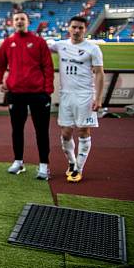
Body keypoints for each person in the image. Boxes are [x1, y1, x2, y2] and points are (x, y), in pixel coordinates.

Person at [0, 11, 54, 180]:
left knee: (41, 131)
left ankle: (43, 165)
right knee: (17, 130)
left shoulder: (39, 42)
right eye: (16, 19)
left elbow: (48, 67)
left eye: (22, 19)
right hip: (16, 93)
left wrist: (47, 89)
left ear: (28, 22)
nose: (19, 21)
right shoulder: (8, 42)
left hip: (38, 94)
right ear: (12, 23)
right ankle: (18, 161)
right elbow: (0, 64)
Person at [49, 16, 104, 183]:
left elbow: (100, 74)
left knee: (83, 131)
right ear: (68, 28)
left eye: (80, 28)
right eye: (74, 27)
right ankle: (72, 163)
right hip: (66, 95)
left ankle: (78, 169)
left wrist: (99, 98)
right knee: (65, 133)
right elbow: (37, 46)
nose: (77, 30)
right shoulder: (60, 45)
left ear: (85, 29)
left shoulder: (93, 49)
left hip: (85, 95)